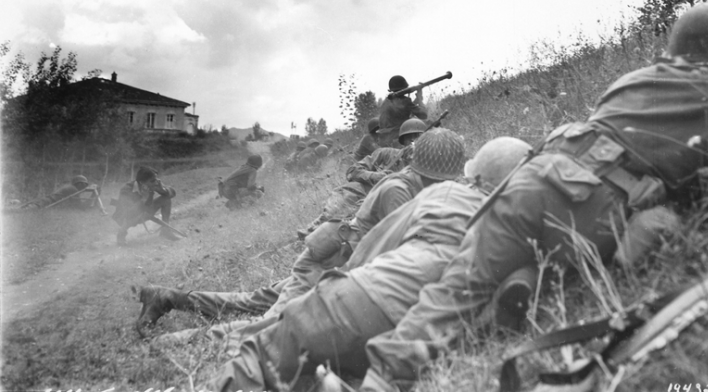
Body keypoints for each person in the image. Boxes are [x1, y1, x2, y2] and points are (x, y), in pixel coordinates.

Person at [360, 2, 708, 392]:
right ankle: (521, 286)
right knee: (578, 263)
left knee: (459, 285)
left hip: (531, 177)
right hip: (594, 200)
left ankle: (381, 378)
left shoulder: (637, 79)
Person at [209, 137, 531, 392]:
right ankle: (204, 327)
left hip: (358, 286)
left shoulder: (439, 194)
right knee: (265, 310)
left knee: (263, 340)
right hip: (331, 263)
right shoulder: (517, 228)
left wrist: (343, 286)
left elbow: (375, 250)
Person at [135, 129, 468, 332]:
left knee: (254, 301)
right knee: (274, 325)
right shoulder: (398, 190)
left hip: (332, 258)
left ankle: (166, 297)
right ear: (431, 174)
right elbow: (403, 250)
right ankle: (179, 340)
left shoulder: (411, 186)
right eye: (445, 181)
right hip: (328, 264)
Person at [112, 166, 179, 246]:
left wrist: (162, 190)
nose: (156, 182)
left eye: (156, 179)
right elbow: (128, 212)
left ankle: (166, 231)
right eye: (152, 181)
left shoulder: (152, 184)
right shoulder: (126, 189)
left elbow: (173, 193)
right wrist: (144, 198)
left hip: (145, 211)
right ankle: (121, 236)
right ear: (142, 183)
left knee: (166, 200)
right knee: (128, 218)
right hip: (127, 216)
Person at [377, 76, 428, 147]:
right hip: (397, 140)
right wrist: (419, 99)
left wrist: (416, 99)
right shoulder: (405, 101)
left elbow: (403, 109)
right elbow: (424, 115)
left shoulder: (386, 102)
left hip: (383, 140)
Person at [27, 175, 107, 215]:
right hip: (46, 203)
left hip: (45, 200)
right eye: (83, 185)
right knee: (24, 211)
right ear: (79, 184)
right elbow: (80, 207)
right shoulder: (73, 190)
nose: (84, 187)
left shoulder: (69, 187)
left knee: (23, 209)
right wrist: (93, 195)